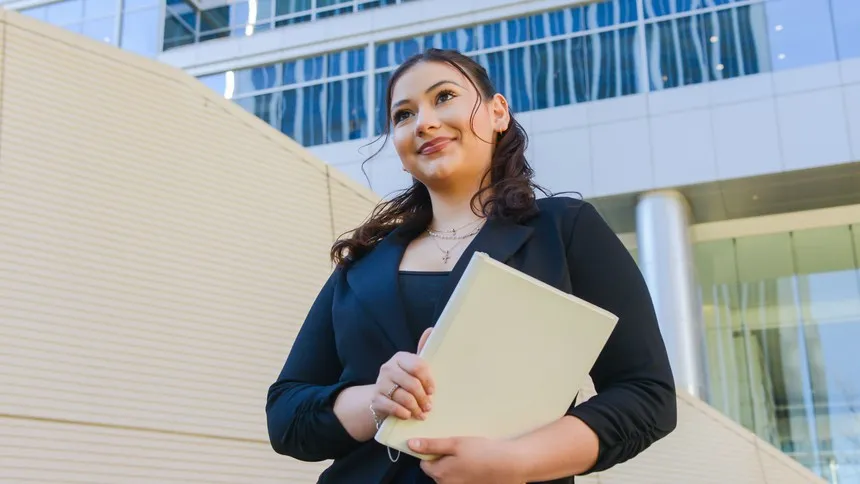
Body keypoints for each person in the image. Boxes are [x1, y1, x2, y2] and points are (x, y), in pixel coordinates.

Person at [266, 48, 677, 484]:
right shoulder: (362, 263)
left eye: (444, 96)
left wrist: (519, 461)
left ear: (498, 112)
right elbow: (286, 416)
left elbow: (646, 394)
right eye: (403, 115)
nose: (423, 122)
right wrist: (376, 401)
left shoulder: (564, 230)